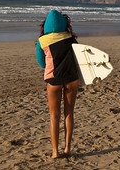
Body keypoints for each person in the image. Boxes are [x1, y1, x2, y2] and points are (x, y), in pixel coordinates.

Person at [36, 9, 79, 158]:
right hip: (71, 79)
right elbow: (79, 58)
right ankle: (67, 149)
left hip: (53, 81)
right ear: (63, 24)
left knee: (54, 115)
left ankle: (55, 152)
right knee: (69, 113)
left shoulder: (42, 41)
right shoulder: (71, 39)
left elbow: (41, 63)